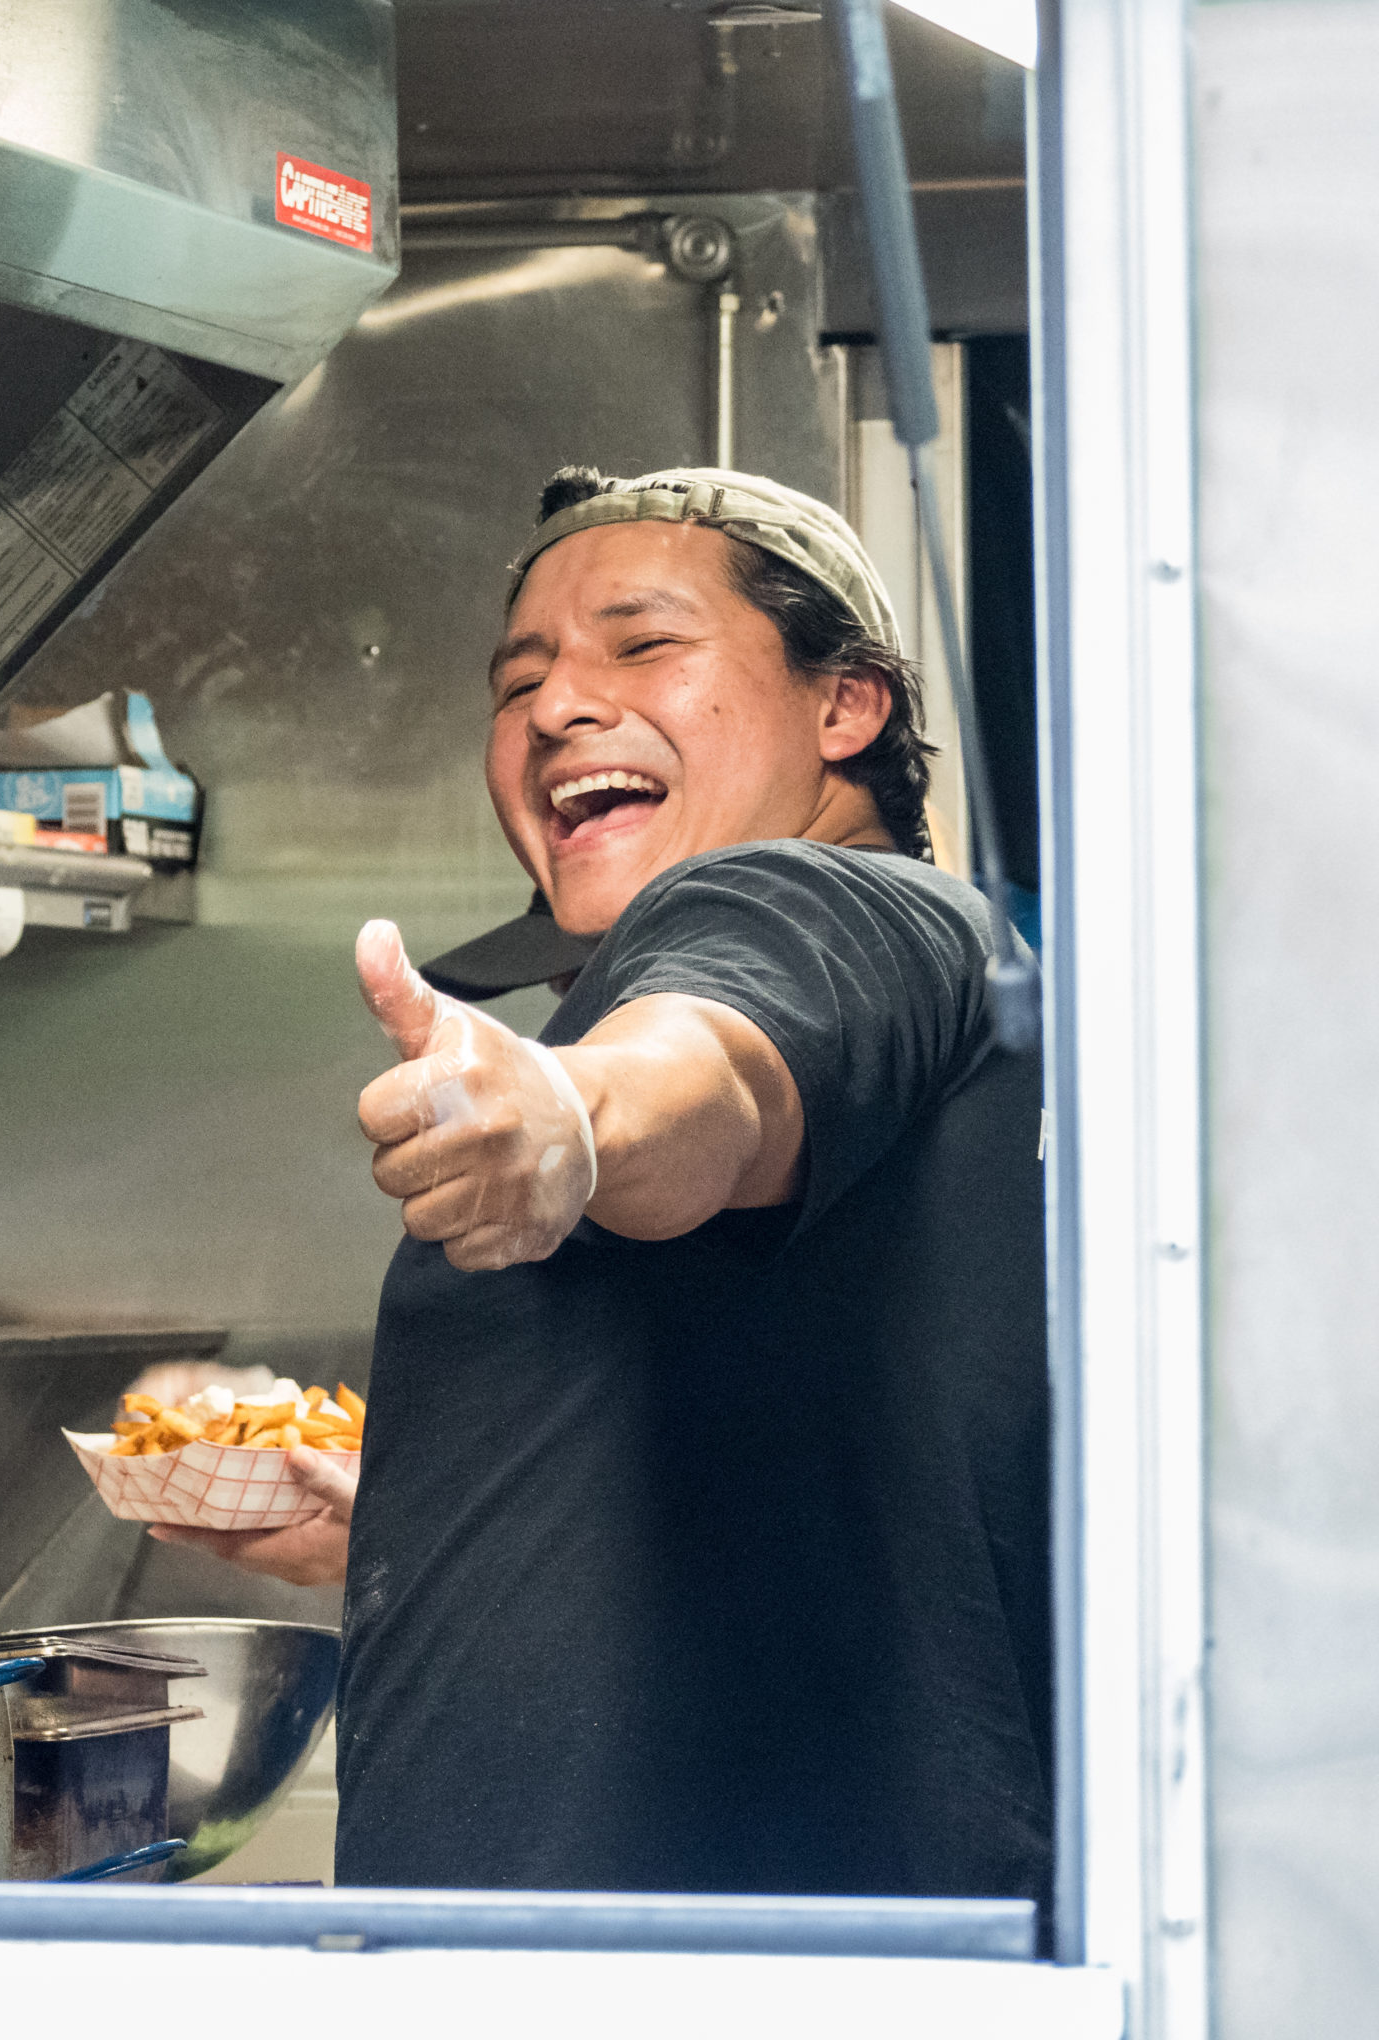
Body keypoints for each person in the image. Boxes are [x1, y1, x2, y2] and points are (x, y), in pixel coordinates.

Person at [155, 466, 1050, 1910]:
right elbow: (791, 1493)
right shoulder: (953, 971)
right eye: (522, 679)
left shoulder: (809, 903)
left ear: (847, 710)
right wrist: (401, 1512)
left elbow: (707, 1078)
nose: (559, 706)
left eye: (641, 647)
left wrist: (570, 1118)